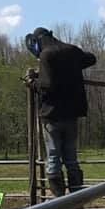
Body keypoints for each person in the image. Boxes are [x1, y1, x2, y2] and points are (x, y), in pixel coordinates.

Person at [25, 28, 97, 197]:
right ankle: (76, 199)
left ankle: (59, 201)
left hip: (52, 114)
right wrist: (71, 66)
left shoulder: (46, 55)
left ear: (37, 42)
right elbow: (91, 58)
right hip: (72, 113)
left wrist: (32, 83)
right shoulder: (71, 50)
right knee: (71, 158)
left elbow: (47, 86)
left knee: (53, 156)